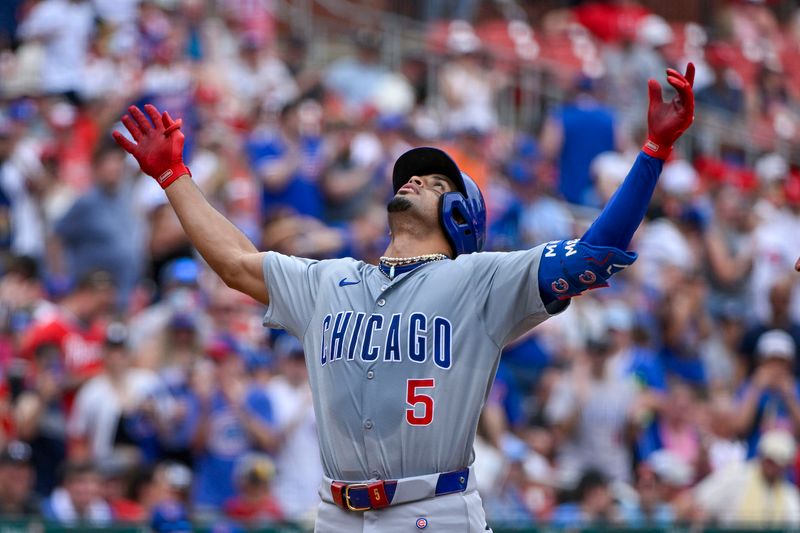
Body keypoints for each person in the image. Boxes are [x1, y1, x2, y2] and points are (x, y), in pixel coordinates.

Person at [113, 62, 695, 531]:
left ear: (461, 212)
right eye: (410, 176)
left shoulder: (482, 281)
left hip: (433, 512)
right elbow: (236, 264)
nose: (413, 180)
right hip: (336, 513)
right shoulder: (329, 281)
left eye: (436, 181)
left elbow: (595, 255)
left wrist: (653, 151)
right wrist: (174, 178)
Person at [694, 429, 800, 527]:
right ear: (762, 457)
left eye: (778, 464)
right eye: (770, 461)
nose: (773, 468)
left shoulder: (788, 493)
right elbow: (699, 502)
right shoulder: (735, 476)